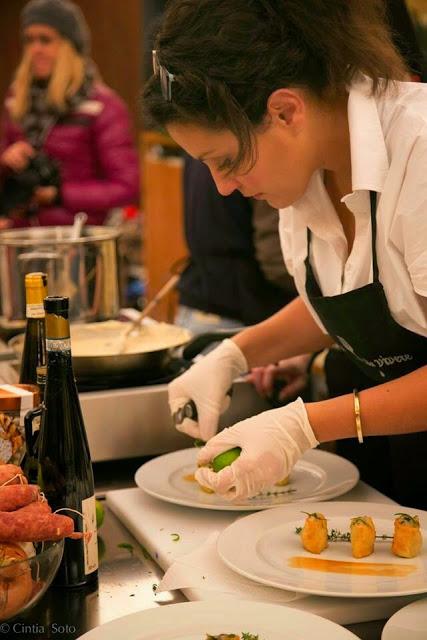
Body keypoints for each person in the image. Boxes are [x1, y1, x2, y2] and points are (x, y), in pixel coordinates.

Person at [143, 0, 427, 509]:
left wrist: (306, 425)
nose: (223, 187)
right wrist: (234, 355)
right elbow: (365, 301)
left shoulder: (420, 152)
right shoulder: (303, 171)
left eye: (227, 160)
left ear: (285, 110)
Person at [0, 0, 139, 227]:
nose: (35, 49)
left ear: (70, 46)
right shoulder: (16, 101)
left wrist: (58, 194)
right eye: (29, 40)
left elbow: (126, 188)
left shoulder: (103, 107)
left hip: (77, 239)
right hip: (23, 238)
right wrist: (6, 161)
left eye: (46, 39)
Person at [175, 153, 296, 334]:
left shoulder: (203, 138)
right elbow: (275, 257)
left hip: (200, 303)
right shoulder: (251, 147)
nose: (223, 186)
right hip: (242, 316)